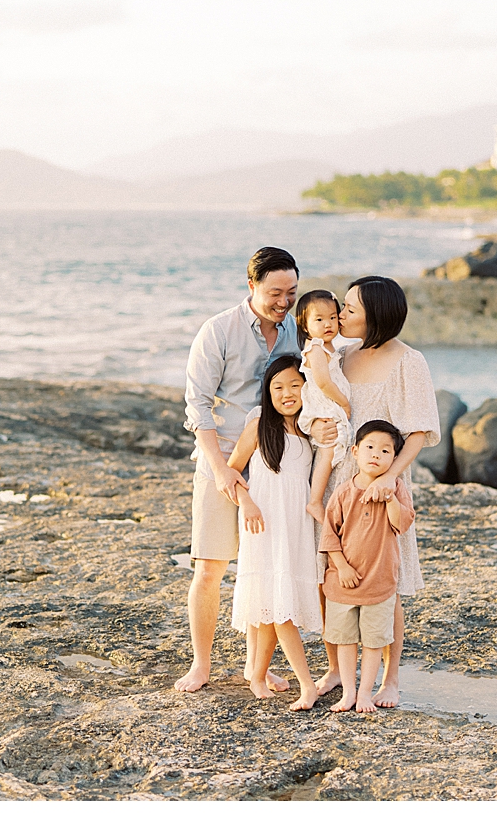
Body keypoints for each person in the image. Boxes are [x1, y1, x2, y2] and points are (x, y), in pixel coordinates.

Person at [176, 246, 302, 693]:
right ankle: (201, 665)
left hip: (272, 462)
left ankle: (258, 665)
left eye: (291, 291)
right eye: (274, 293)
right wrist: (222, 469)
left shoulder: (296, 331)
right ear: (251, 286)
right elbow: (197, 407)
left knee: (264, 567)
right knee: (210, 567)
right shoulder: (218, 330)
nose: (284, 301)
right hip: (221, 458)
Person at [313, 276, 439, 708]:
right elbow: (320, 409)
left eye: (349, 308)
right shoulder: (340, 354)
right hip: (337, 480)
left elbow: (420, 431)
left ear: (377, 313)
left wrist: (391, 479)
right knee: (331, 575)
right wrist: (320, 427)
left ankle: (390, 679)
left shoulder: (409, 361)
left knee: (387, 583)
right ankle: (335, 669)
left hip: (384, 485)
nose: (339, 314)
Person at [223, 355, 322, 710]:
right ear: (267, 391)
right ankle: (306, 684)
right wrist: (246, 503)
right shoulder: (260, 425)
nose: (287, 393)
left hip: (295, 526)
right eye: (278, 387)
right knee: (280, 608)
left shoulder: (310, 429)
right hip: (263, 521)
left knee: (272, 600)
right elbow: (232, 473)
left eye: (295, 385)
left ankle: (256, 672)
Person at [320, 420, 416, 713]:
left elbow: (402, 524)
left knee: (374, 641)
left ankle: (365, 693)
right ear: (355, 451)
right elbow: (328, 535)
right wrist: (342, 567)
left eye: (385, 450)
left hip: (379, 582)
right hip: (342, 583)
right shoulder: (343, 493)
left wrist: (388, 499)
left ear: (393, 459)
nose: (376, 454)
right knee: (346, 640)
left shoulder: (396, 488)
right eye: (370, 447)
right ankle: (348, 692)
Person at [292, 289, 351, 523]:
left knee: (334, 448)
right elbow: (323, 382)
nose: (328, 324)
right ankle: (315, 500)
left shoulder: (329, 347)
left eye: (333, 317)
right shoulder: (315, 348)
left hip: (330, 403)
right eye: (319, 319)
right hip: (324, 405)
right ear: (305, 325)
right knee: (328, 448)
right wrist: (344, 402)